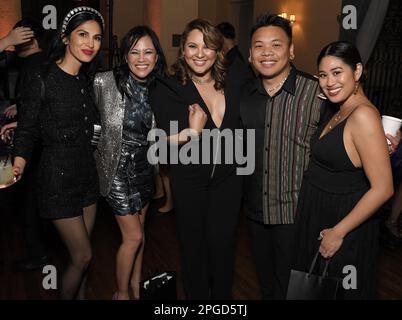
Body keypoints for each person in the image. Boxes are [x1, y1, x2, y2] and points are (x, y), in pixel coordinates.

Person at [239, 13, 399, 300]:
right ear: (249, 54)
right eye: (258, 46)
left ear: (290, 51)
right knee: (273, 287)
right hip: (257, 211)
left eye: (275, 44)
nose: (267, 52)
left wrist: (383, 140)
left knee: (303, 289)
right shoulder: (244, 94)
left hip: (297, 212)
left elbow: (360, 124)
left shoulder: (317, 93)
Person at [150, 19, 247, 299]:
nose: (200, 53)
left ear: (218, 50)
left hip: (229, 180)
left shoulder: (236, 79)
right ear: (183, 50)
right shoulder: (168, 88)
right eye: (192, 46)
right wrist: (190, 133)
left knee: (223, 247)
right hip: (189, 180)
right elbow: (157, 142)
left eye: (207, 46)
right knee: (194, 249)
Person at [12, 6, 104, 300]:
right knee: (82, 257)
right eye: (83, 35)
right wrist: (18, 163)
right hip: (57, 179)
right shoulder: (43, 76)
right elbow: (28, 129)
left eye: (97, 38)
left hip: (87, 177)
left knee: (84, 259)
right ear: (65, 37)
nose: (90, 43)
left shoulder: (86, 81)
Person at [292, 41, 394, 299]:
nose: (328, 82)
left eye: (337, 73)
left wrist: (338, 232)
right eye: (323, 75)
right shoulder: (339, 107)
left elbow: (383, 189)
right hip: (319, 212)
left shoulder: (363, 115)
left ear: (357, 71)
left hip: (341, 221)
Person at [93, 25, 167, 300]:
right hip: (115, 168)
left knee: (140, 234)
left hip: (144, 168)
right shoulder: (103, 82)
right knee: (133, 236)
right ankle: (121, 293)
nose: (141, 58)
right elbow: (78, 112)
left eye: (148, 52)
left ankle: (136, 287)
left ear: (157, 57)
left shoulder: (160, 89)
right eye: (135, 52)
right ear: (125, 56)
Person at [3, 18, 49, 272]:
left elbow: (42, 104)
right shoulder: (37, 63)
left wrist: (22, 122)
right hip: (34, 139)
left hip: (34, 145)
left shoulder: (37, 65)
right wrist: (20, 109)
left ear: (30, 38)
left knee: (27, 198)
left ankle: (38, 253)